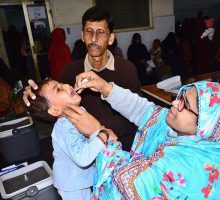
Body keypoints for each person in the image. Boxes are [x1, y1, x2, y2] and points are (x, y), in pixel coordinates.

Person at [63, 70, 220, 199]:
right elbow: (146, 112)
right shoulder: (187, 130)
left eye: (184, 104)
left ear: (206, 124)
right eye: (179, 96)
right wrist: (105, 87)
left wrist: (99, 134)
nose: (174, 104)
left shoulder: (190, 167)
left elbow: (126, 184)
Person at [23, 6, 140, 151]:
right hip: (84, 151)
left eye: (101, 32)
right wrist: (34, 98)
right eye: (89, 32)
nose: (94, 39)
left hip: (122, 147)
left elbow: (133, 117)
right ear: (82, 35)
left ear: (110, 39)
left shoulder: (126, 69)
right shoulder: (70, 71)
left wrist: (90, 125)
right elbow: (54, 110)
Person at [26, 79, 118, 200]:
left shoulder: (77, 114)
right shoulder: (64, 128)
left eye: (61, 83)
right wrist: (103, 134)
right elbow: (83, 158)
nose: (66, 84)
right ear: (55, 110)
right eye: (58, 89)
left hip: (81, 179)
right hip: (72, 184)